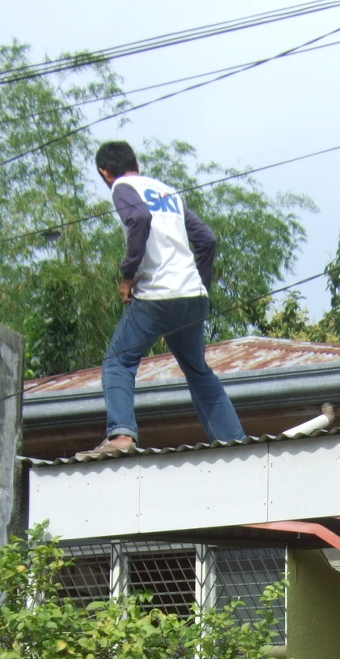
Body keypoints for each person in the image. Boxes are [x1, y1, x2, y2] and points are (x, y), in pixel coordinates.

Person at [76, 141, 247, 460]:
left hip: (157, 295)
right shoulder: (167, 191)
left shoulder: (123, 187)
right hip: (192, 296)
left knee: (119, 361)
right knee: (197, 370)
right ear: (136, 163)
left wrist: (128, 275)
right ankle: (233, 440)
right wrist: (198, 286)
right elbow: (207, 240)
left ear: (105, 172)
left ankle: (122, 436)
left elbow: (139, 218)